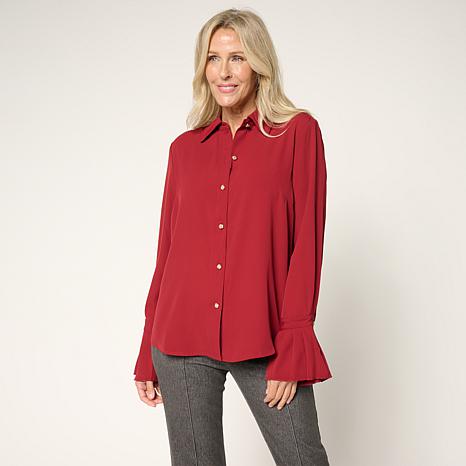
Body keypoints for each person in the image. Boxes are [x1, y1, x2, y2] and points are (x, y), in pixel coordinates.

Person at [133, 8, 332, 466]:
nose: (224, 71)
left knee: (303, 458)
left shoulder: (296, 133)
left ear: (259, 64)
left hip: (265, 338)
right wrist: (147, 347)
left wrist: (294, 340)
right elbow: (168, 253)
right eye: (213, 58)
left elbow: (307, 245)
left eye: (237, 57)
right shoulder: (185, 150)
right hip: (179, 340)